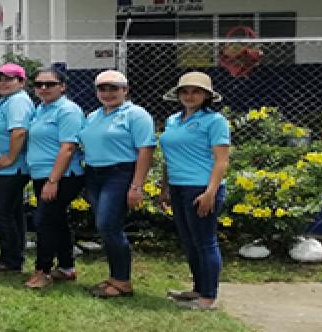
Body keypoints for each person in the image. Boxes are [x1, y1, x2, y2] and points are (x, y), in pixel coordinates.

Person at [78, 69, 156, 298]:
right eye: (102, 88)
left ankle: (122, 281)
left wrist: (136, 186)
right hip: (94, 174)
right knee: (105, 227)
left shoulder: (136, 115)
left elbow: (145, 150)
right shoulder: (93, 116)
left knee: (108, 225)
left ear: (125, 90)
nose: (108, 93)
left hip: (119, 174)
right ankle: (114, 278)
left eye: (114, 88)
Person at [158, 72, 231, 311]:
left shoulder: (215, 121)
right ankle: (198, 289)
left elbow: (221, 160)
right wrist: (165, 188)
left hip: (201, 187)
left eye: (196, 91)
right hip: (178, 187)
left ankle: (208, 297)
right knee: (189, 241)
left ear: (207, 95)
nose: (190, 96)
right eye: (185, 91)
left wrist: (210, 192)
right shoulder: (173, 120)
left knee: (205, 241)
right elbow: (169, 158)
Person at [24, 68, 86, 290]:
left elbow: (68, 148)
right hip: (42, 174)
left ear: (62, 86)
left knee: (44, 221)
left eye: (49, 84)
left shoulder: (68, 111)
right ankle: (67, 268)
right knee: (57, 220)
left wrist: (53, 181)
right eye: (38, 84)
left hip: (62, 176)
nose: (43, 88)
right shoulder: (41, 109)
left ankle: (43, 271)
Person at [0, 62, 34, 273]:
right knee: (13, 212)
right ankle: (13, 254)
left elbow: (19, 131)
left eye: (9, 79)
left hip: (12, 169)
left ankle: (11, 260)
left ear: (21, 82)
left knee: (1, 212)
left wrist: (10, 158)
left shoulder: (18, 101)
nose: (3, 83)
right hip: (6, 169)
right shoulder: (7, 101)